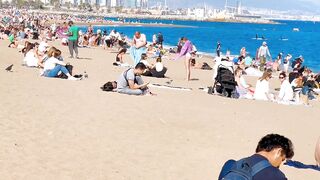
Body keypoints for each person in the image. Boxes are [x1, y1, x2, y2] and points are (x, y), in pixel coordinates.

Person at [219, 134, 294, 180]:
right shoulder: (276, 175)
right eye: (282, 159)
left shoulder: (230, 165)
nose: (279, 165)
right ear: (279, 151)